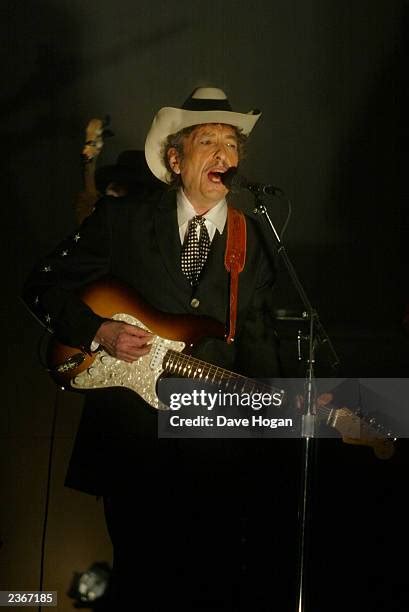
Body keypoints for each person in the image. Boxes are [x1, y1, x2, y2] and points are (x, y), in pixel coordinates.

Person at [23, 87, 300, 610]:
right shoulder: (122, 220)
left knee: (213, 583)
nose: (224, 155)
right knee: (143, 582)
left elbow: (261, 347)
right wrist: (97, 331)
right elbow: (43, 285)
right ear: (175, 159)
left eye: (231, 143)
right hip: (133, 447)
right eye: (207, 140)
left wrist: (279, 424)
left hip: (216, 450)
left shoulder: (254, 240)